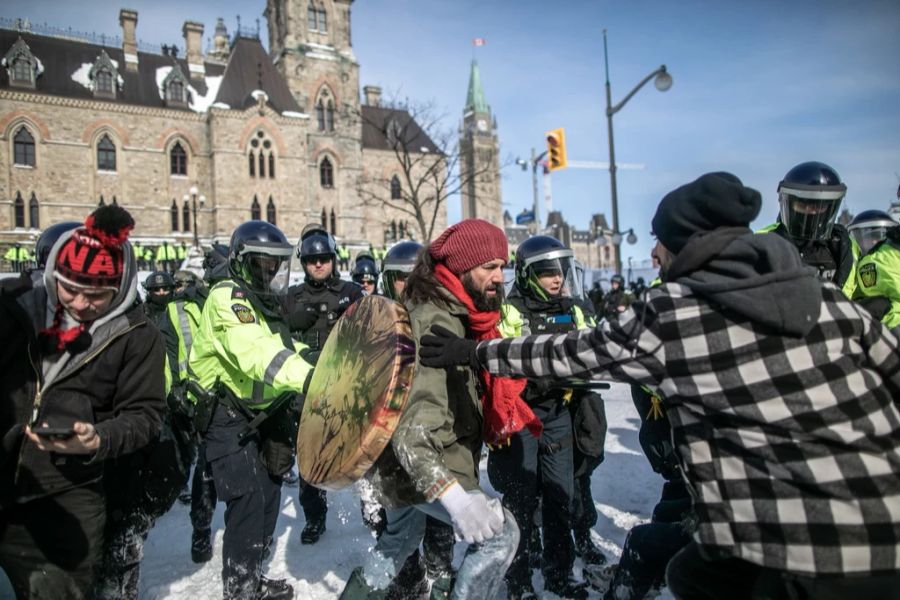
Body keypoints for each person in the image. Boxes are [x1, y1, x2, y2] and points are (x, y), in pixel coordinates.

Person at [420, 172, 900, 599]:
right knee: (685, 567)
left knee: (693, 573)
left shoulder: (675, 314)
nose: (651, 253)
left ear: (687, 247)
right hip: (885, 525)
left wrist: (474, 353)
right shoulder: (825, 298)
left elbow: (569, 353)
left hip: (789, 541)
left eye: (660, 241)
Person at [341, 219, 520, 600]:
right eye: (489, 267)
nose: (499, 277)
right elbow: (413, 432)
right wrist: (457, 499)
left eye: (503, 266)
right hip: (417, 464)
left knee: (398, 543)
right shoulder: (436, 321)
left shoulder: (456, 312)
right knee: (500, 537)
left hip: (401, 465)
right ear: (460, 268)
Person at [0, 204, 165, 599]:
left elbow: (144, 414)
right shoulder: (12, 306)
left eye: (95, 296)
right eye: (68, 289)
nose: (77, 303)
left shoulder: (138, 335)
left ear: (120, 289)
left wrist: (100, 439)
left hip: (67, 492)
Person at [188, 220, 314, 600]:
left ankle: (254, 574)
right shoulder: (228, 298)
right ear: (242, 262)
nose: (270, 272)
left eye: (275, 265)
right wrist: (310, 379)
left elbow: (283, 346)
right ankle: (240, 588)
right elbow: (256, 352)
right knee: (246, 498)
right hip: (225, 414)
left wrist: (322, 362)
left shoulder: (263, 301)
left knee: (270, 487)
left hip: (260, 411)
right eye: (262, 264)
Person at [490, 235, 595, 599]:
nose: (557, 279)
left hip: (558, 411)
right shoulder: (511, 310)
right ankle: (518, 583)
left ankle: (559, 574)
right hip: (520, 416)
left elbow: (592, 345)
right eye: (548, 271)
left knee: (559, 495)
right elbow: (504, 358)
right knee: (519, 502)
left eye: (560, 270)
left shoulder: (574, 308)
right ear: (528, 273)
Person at [286, 226, 363, 544]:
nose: (318, 264)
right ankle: (314, 517)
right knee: (310, 459)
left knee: (364, 452)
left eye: (324, 258)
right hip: (306, 391)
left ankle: (376, 515)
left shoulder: (352, 293)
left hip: (345, 389)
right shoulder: (291, 298)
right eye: (312, 259)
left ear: (333, 259)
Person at [758, 161, 859, 297]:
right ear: (788, 203)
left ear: (830, 207)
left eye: (818, 207)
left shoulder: (845, 246)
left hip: (838, 316)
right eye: (802, 205)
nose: (811, 212)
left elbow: (859, 292)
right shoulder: (764, 241)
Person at [854, 223, 900, 329]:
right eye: (869, 238)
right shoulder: (870, 263)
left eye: (877, 236)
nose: (874, 241)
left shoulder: (870, 262)